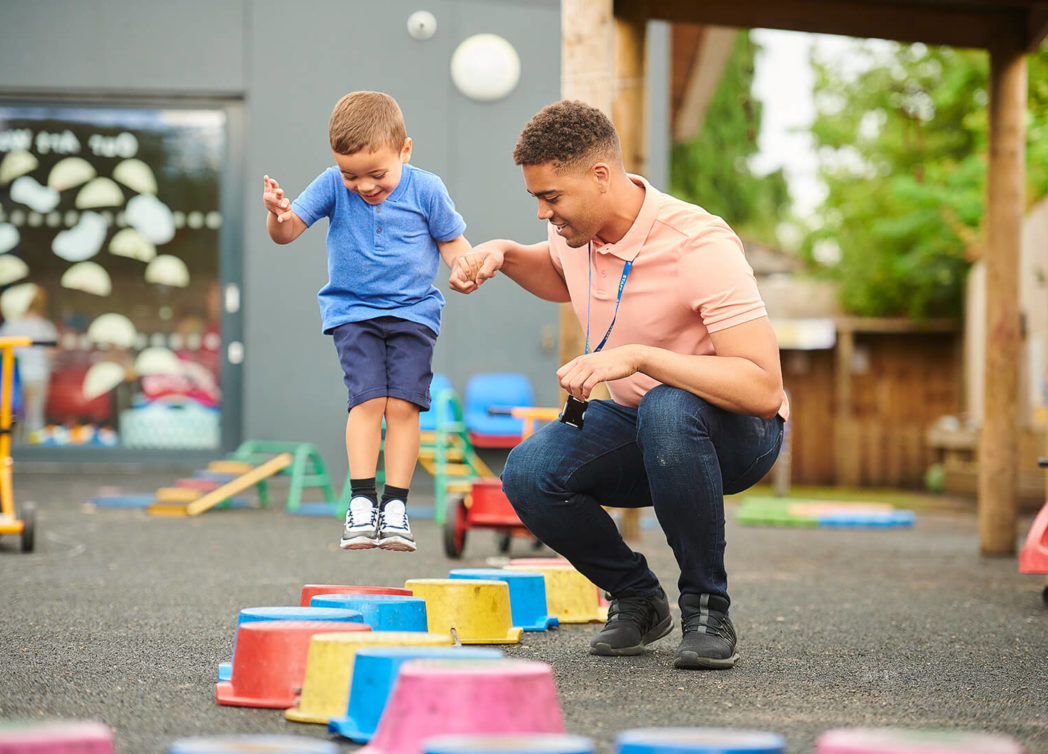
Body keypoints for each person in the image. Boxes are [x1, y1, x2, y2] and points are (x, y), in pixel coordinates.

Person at [449, 100, 788, 669]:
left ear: (600, 176)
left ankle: (707, 609)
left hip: (736, 431)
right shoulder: (574, 234)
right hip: (644, 423)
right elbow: (558, 274)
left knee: (667, 406)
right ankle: (637, 598)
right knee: (529, 473)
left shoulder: (697, 244)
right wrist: (503, 254)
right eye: (535, 198)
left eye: (550, 197)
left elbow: (762, 389)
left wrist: (636, 358)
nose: (542, 212)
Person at [264, 91, 474, 552]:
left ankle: (395, 506)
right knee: (367, 401)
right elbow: (287, 233)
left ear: (405, 151)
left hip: (414, 312)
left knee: (403, 406)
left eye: (376, 174)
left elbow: (453, 243)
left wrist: (464, 267)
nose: (364, 185)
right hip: (353, 311)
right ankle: (362, 502)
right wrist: (277, 216)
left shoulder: (427, 189)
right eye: (351, 174)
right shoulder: (330, 185)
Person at [0, 284, 58, 442]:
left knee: (14, 414)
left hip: (14, 377)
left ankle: (15, 448)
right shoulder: (45, 326)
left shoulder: (11, 325)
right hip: (37, 375)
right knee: (35, 415)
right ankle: (35, 450)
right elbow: (52, 352)